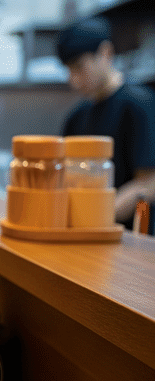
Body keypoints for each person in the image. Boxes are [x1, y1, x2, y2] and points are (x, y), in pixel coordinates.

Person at [57, 16, 155, 229]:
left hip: (128, 238)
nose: (73, 80)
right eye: (69, 70)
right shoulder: (76, 117)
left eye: (79, 67)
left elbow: (148, 182)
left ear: (105, 53)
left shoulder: (140, 104)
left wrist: (98, 214)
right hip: (83, 233)